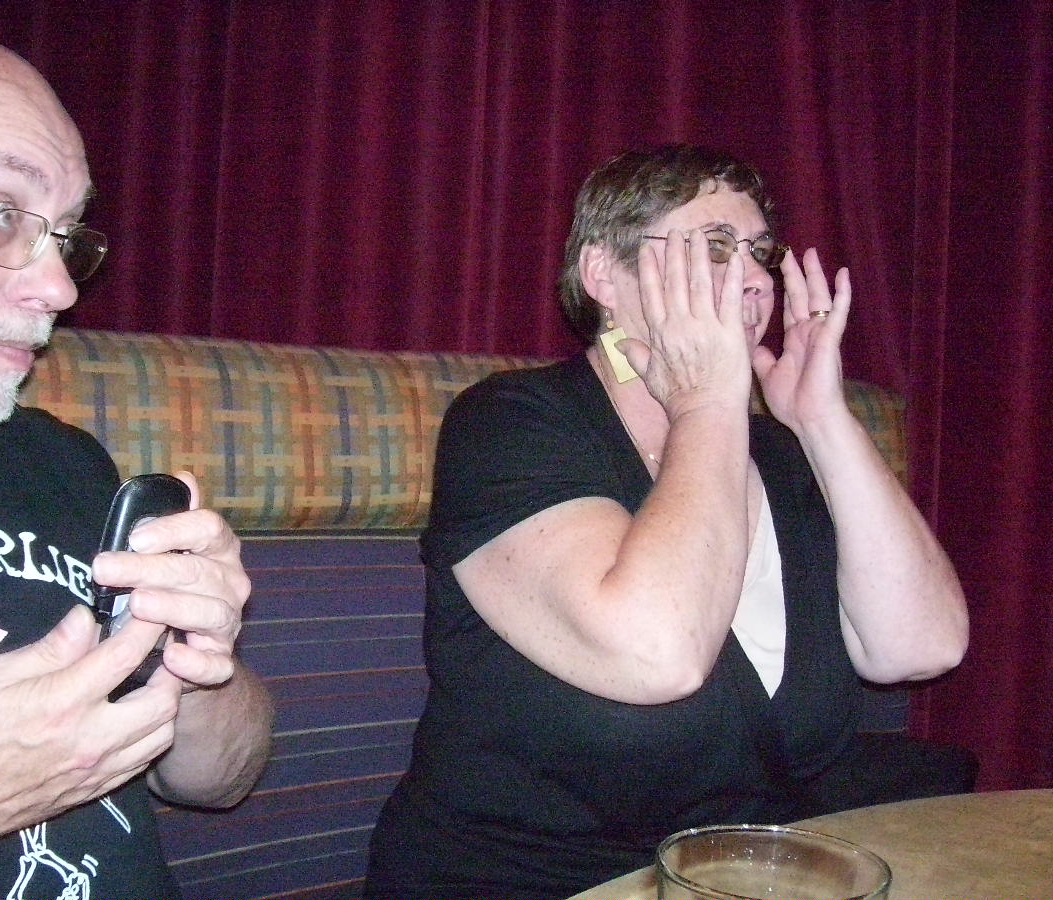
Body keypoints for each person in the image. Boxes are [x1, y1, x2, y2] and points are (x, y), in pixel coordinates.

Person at [363, 146, 972, 899]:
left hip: (740, 877)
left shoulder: (781, 455)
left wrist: (823, 420)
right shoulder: (510, 423)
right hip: (525, 882)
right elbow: (658, 655)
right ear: (603, 275)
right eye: (714, 247)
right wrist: (707, 399)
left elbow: (922, 647)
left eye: (760, 252)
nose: (755, 279)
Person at [0, 16, 273, 899]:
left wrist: (196, 661)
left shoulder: (66, 464)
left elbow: (221, 781)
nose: (57, 287)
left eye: (66, 236)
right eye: (1, 216)